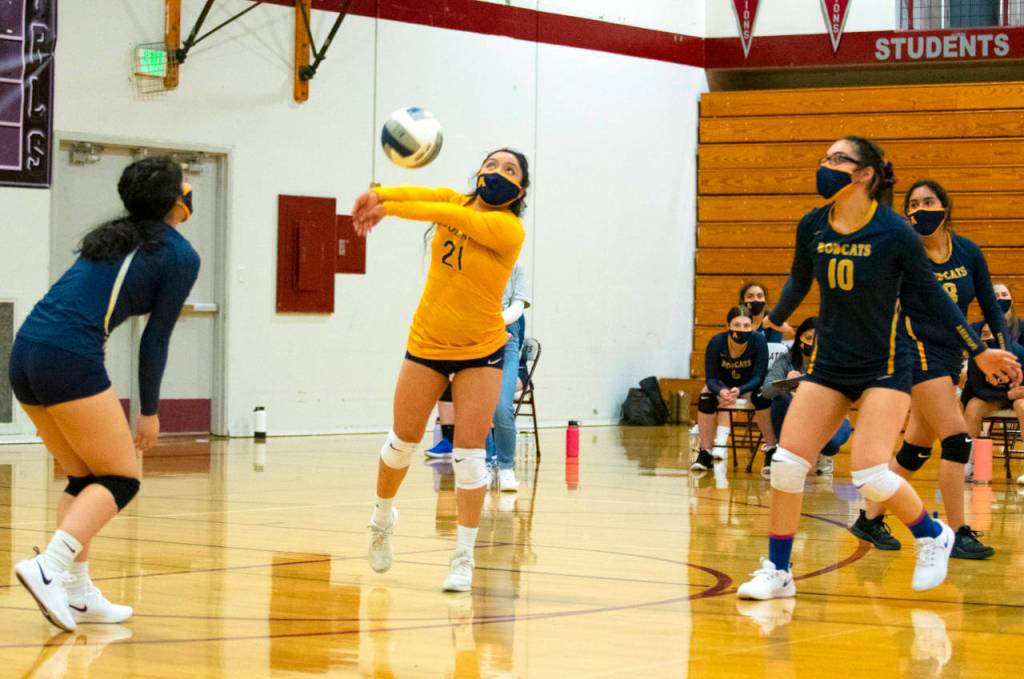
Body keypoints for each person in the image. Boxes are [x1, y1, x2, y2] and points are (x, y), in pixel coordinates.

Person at [735, 135, 1019, 601]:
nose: (826, 165)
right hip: (830, 365)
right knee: (786, 466)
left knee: (870, 473)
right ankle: (779, 571)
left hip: (885, 367)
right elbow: (800, 277)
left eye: (838, 159)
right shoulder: (813, 225)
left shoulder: (895, 233)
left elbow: (931, 294)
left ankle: (933, 533)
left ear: (865, 173)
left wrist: (978, 351)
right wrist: (776, 317)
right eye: (825, 157)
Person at [10, 156, 200, 631]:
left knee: (83, 479)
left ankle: (76, 594)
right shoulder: (179, 255)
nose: (190, 187)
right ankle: (49, 568)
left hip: (26, 350)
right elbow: (155, 337)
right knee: (122, 478)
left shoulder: (114, 235)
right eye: (184, 181)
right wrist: (150, 411)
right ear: (175, 199)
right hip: (68, 356)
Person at [352, 148, 528, 592]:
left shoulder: (508, 229)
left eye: (511, 170)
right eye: (492, 164)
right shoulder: (456, 201)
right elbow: (424, 192)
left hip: (481, 349)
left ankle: (463, 557)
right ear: (479, 171)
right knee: (400, 445)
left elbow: (440, 211)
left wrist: (387, 208)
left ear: (520, 189)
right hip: (427, 343)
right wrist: (380, 194)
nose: (498, 172)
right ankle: (381, 519)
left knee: (468, 457)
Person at [853, 179, 1008, 559]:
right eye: (915, 203)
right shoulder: (908, 257)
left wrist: (1002, 354)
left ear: (946, 205)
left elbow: (989, 304)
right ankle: (957, 532)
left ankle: (869, 519)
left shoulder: (968, 252)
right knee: (957, 440)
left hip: (952, 354)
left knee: (916, 449)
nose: (922, 208)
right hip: (917, 349)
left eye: (930, 201)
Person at [760, 317, 851, 478]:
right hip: (796, 417)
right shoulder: (786, 361)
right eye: (808, 338)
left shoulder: (834, 362)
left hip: (827, 416)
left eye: (817, 338)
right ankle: (785, 452)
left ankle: (824, 455)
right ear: (799, 338)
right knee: (779, 400)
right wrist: (787, 383)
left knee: (832, 444)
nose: (812, 343)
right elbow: (766, 391)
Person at [690, 306, 776, 472]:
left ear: (752, 326)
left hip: (749, 385)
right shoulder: (717, 342)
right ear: (727, 326)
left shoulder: (758, 341)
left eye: (746, 326)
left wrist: (741, 389)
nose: (741, 329)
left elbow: (759, 376)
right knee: (706, 397)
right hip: (723, 385)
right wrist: (720, 391)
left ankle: (771, 449)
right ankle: (705, 452)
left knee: (762, 396)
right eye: (737, 325)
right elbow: (711, 377)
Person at [962, 324, 1024, 484]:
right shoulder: (977, 357)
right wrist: (1006, 395)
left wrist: (1016, 393)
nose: (988, 339)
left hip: (1018, 397)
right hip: (993, 397)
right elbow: (976, 389)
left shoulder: (1019, 353)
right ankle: (966, 464)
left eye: (991, 334)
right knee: (973, 407)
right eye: (983, 334)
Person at [491, 259, 530, 492]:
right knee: (479, 405)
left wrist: (496, 322)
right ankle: (485, 464)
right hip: (477, 334)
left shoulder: (516, 266)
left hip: (507, 335)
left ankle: (506, 467)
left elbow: (517, 307)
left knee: (501, 406)